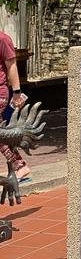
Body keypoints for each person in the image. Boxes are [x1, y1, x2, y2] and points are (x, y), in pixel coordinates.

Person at [0, 31, 30, 181]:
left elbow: (12, 66)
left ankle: (20, 165)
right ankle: (19, 165)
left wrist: (17, 93)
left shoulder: (3, 39)